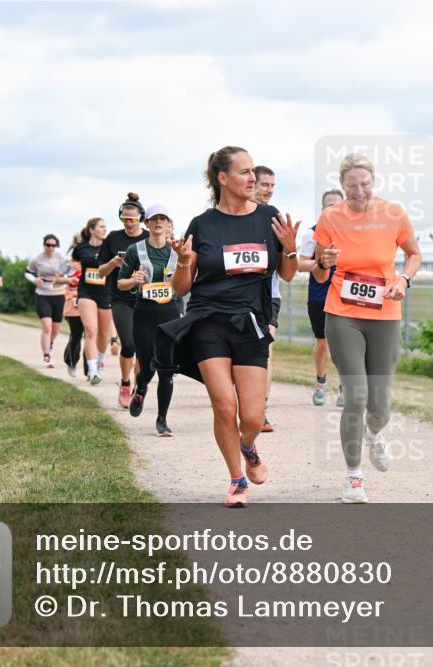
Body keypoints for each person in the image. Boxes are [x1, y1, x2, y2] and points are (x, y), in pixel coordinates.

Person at [157, 146, 300, 507]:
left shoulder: (269, 218)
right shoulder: (202, 224)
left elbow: (286, 273)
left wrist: (290, 248)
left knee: (251, 416)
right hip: (208, 321)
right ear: (223, 178)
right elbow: (180, 289)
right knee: (224, 407)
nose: (253, 179)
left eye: (254, 172)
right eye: (245, 172)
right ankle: (237, 479)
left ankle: (248, 447)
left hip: (251, 322)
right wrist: (184, 262)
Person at [311, 153, 423, 503]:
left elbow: (414, 254)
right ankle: (353, 477)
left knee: (379, 407)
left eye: (365, 184)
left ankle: (374, 434)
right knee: (355, 395)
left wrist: (403, 279)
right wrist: (323, 262)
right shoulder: (331, 217)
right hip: (342, 313)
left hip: (384, 313)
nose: (359, 191)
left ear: (374, 182)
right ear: (341, 186)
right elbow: (319, 273)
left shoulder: (393, 213)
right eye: (351, 186)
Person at [117, 205, 185, 436]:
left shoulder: (177, 251)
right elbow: (120, 283)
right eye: (154, 219)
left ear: (169, 224)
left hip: (169, 311)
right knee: (146, 366)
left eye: (163, 219)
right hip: (144, 312)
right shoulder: (135, 250)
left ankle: (162, 420)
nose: (158, 223)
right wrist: (134, 280)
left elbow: (186, 284)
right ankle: (141, 387)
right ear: (146, 223)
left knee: (166, 368)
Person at [98, 193, 150, 407]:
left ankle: (139, 386)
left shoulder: (148, 238)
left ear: (141, 218)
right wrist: (112, 263)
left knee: (144, 348)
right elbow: (101, 271)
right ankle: (125, 383)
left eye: (132, 219)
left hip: (145, 298)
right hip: (120, 298)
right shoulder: (113, 238)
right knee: (128, 344)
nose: (128, 223)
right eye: (124, 219)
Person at [299, 188, 344, 405]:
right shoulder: (312, 233)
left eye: (338, 206)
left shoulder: (353, 233)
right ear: (322, 209)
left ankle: (345, 388)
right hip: (320, 295)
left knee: (346, 343)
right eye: (329, 206)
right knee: (323, 342)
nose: (334, 210)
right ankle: (320, 384)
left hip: (345, 294)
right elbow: (300, 264)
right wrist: (321, 263)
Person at [252, 165, 279, 432]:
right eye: (264, 185)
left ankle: (261, 409)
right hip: (237, 295)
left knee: (266, 351)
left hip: (269, 294)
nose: (269, 190)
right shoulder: (232, 216)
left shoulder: (273, 218)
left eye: (272, 186)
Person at [73, 217, 113, 385]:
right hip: (86, 292)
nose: (104, 229)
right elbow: (74, 262)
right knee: (90, 330)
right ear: (91, 229)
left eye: (105, 227)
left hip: (106, 293)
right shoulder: (81, 248)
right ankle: (92, 370)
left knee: (104, 334)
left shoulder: (109, 247)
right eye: (101, 226)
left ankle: (100, 360)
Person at [26, 234, 68, 367]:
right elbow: (27, 272)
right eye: (48, 245)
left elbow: (69, 272)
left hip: (59, 294)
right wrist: (34, 279)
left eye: (53, 245)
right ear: (44, 245)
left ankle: (49, 344)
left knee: (55, 329)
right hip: (42, 294)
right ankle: (47, 355)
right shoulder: (37, 259)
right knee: (47, 326)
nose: (50, 248)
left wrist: (63, 277)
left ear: (56, 246)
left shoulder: (61, 258)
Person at [61, 249, 85, 378]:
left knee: (91, 336)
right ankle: (71, 362)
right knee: (76, 335)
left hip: (90, 304)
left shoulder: (95, 262)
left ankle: (90, 368)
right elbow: (57, 279)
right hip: (73, 306)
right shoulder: (68, 265)